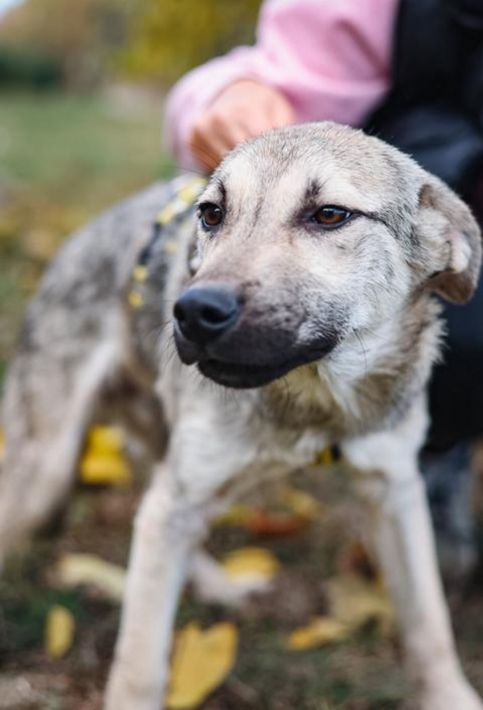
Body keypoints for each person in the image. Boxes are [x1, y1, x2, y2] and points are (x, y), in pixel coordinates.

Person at [165, 0, 483, 571]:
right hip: (440, 185)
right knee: (458, 328)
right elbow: (285, 83)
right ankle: (441, 450)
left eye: (327, 214)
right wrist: (234, 95)